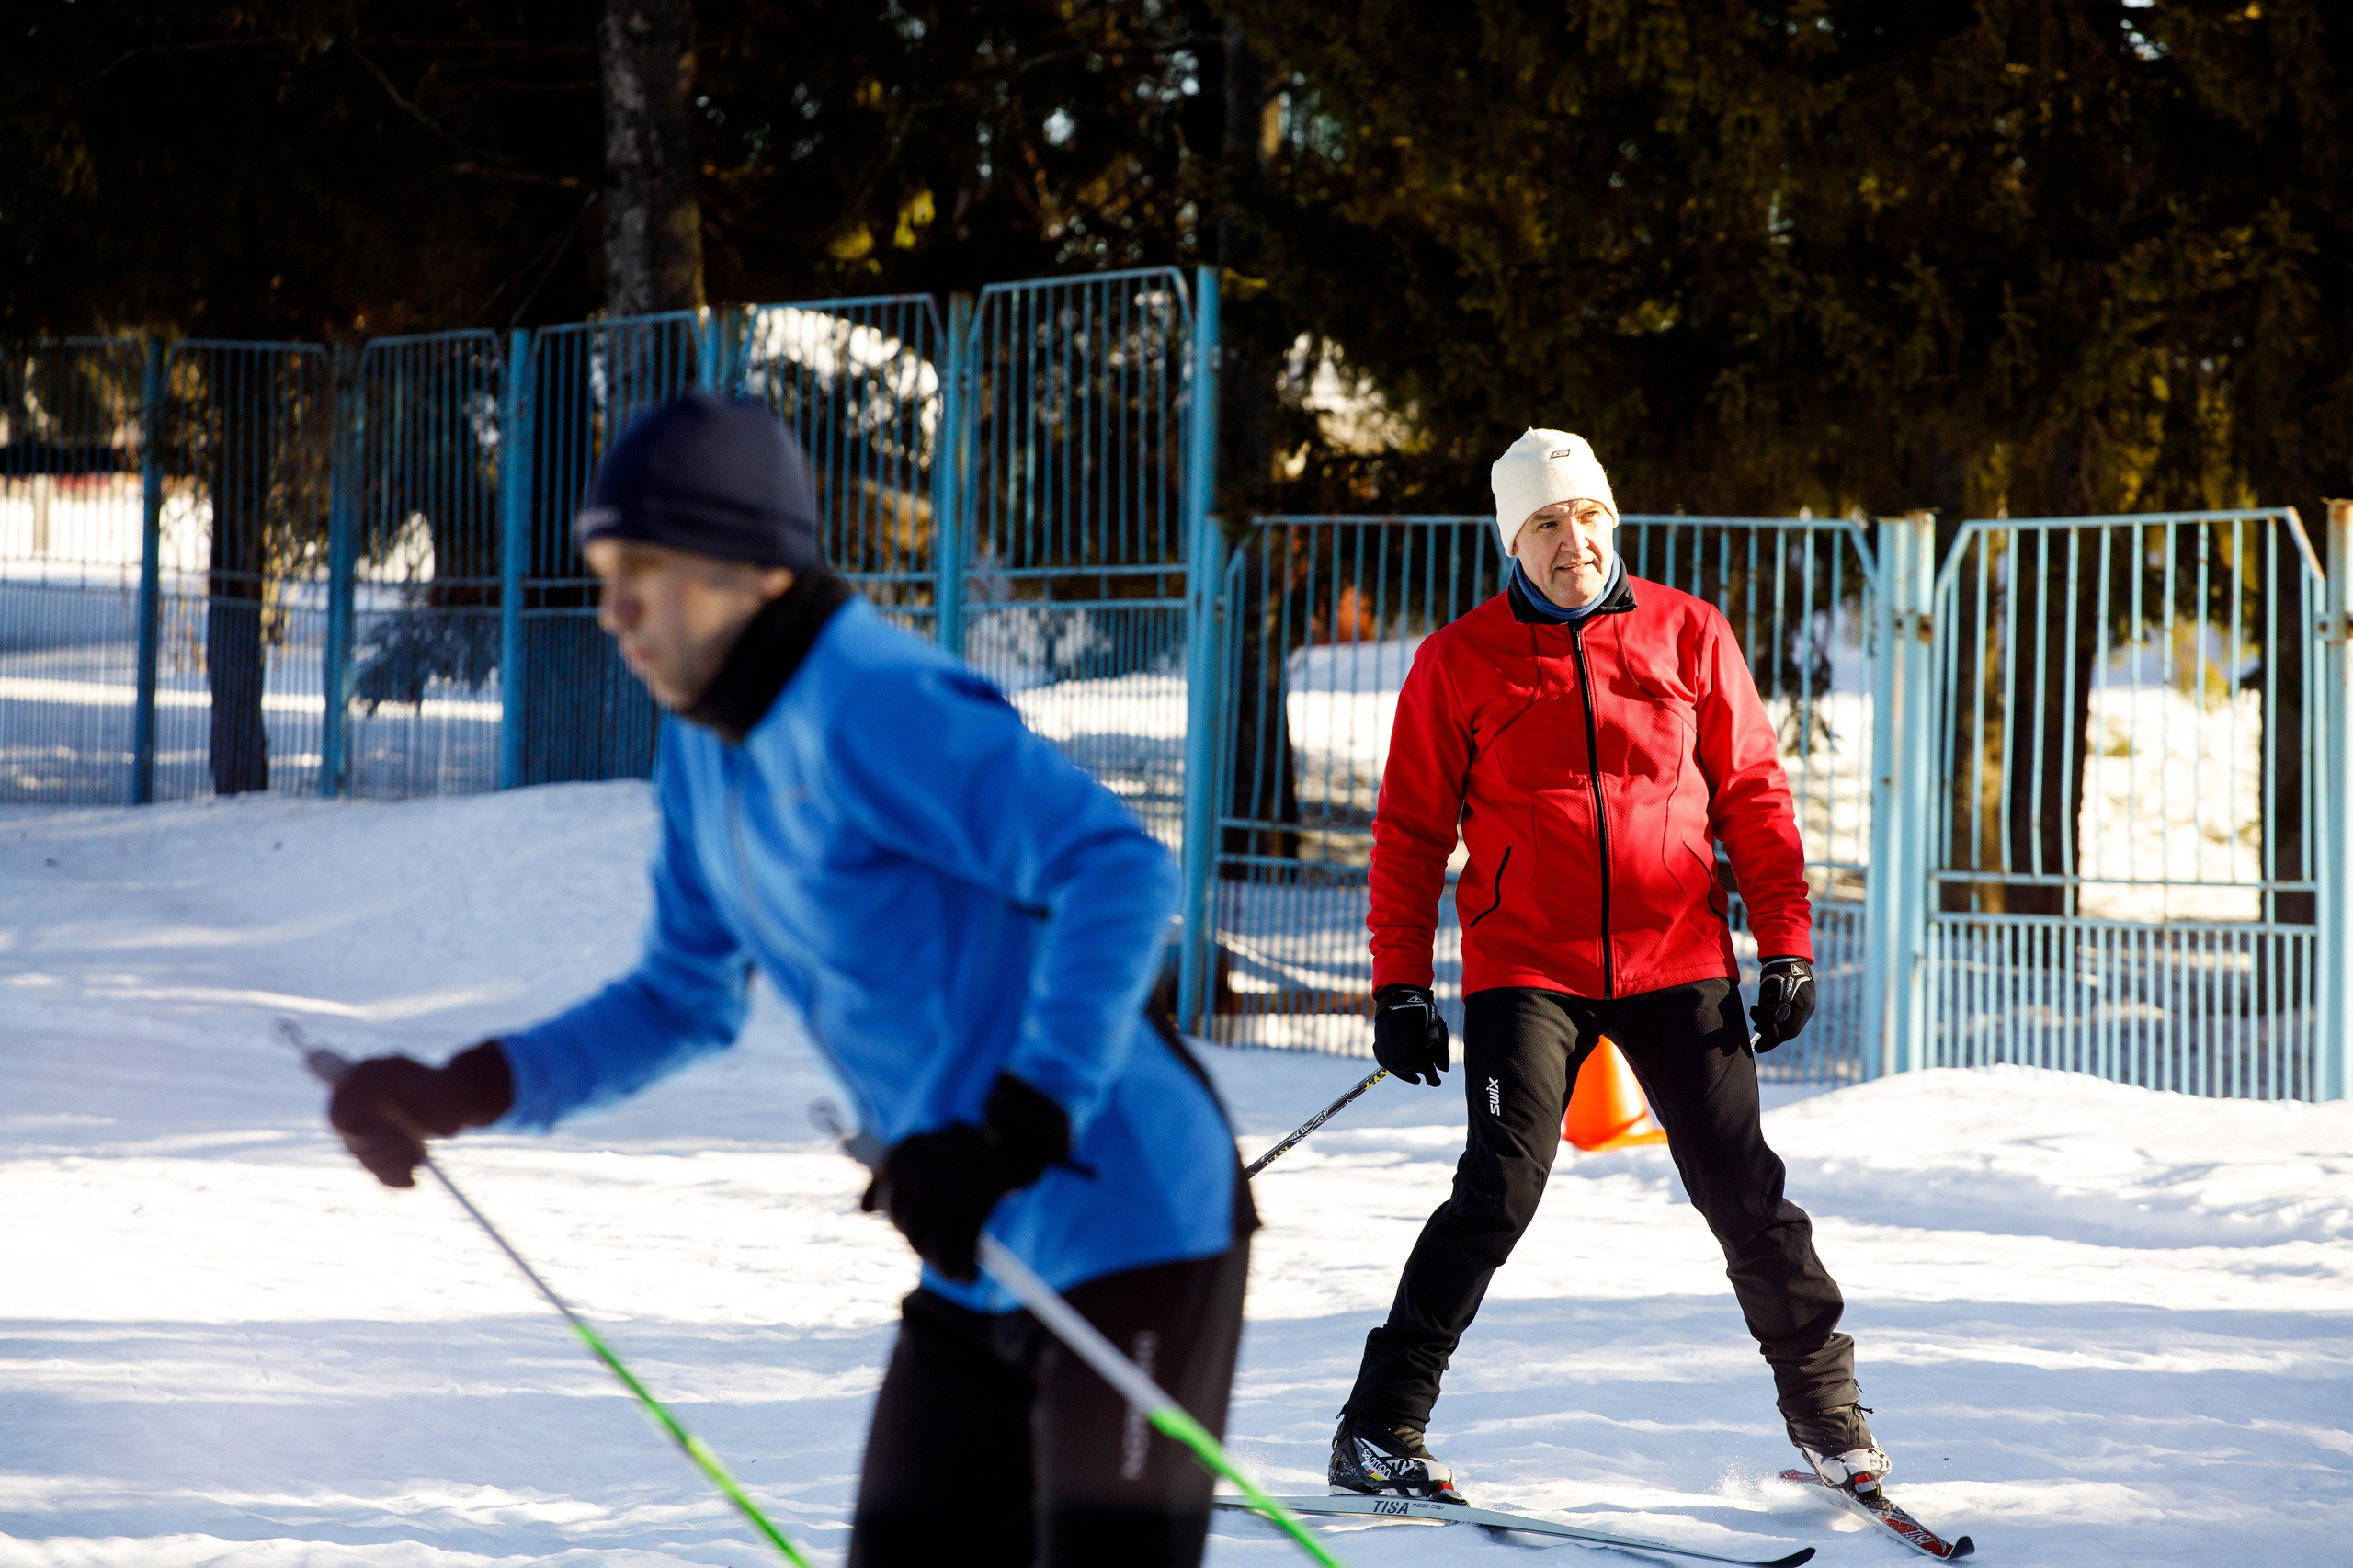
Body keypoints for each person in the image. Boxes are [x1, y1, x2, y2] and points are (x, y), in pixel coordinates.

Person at [324, 392, 1254, 1568]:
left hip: (1127, 1218)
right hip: (974, 1241)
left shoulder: (873, 702)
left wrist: (1015, 1122)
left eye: (645, 569)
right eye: (604, 570)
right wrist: (466, 1085)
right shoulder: (707, 750)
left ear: (752, 570)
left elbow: (1117, 869)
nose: (612, 610)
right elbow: (679, 997)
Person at [1328, 428, 1881, 1504]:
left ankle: (1829, 1421)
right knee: (1496, 1190)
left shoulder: (1690, 633)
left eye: (1584, 515)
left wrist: (1788, 944)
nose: (1569, 538)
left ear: (1610, 521)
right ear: (1513, 542)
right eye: (1543, 522)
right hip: (1524, 962)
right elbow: (1406, 830)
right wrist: (1399, 982)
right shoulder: (1458, 659)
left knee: (1744, 1191)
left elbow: (1756, 800)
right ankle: (1378, 1426)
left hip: (1678, 954)